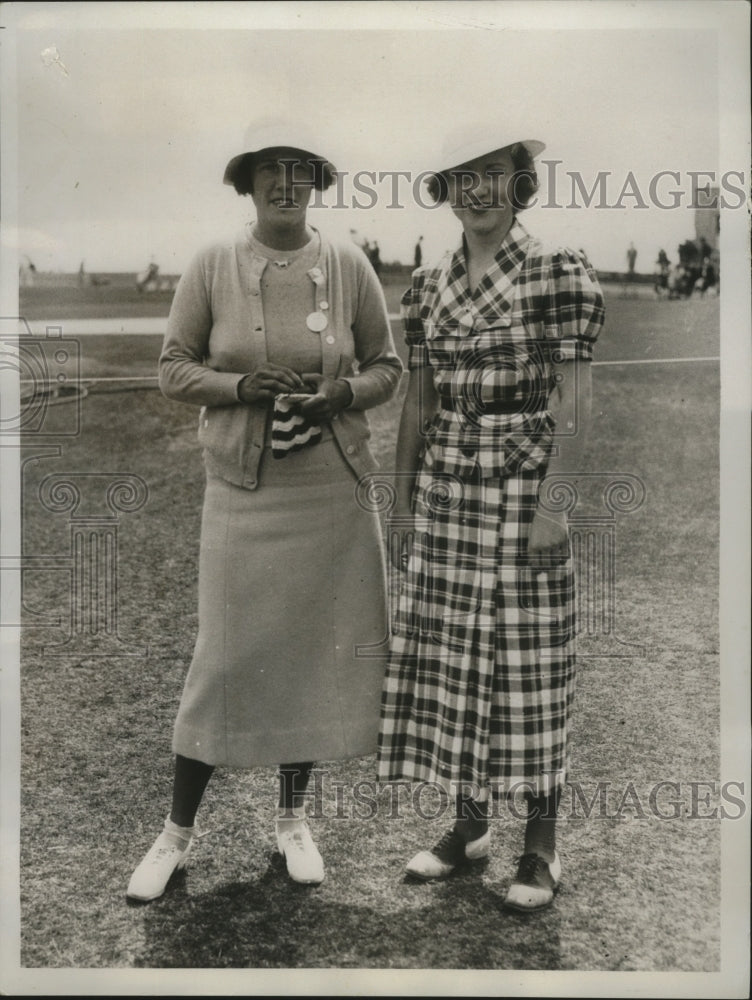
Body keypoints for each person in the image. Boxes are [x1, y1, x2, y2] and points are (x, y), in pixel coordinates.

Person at [126, 119, 402, 901]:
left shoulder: (348, 263)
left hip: (331, 494)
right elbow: (172, 368)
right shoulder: (213, 263)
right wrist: (238, 388)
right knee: (223, 659)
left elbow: (388, 366)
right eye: (270, 171)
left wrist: (339, 395)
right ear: (245, 183)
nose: (286, 184)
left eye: (301, 170)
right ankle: (176, 834)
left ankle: (292, 824)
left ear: (316, 182)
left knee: (313, 657)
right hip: (244, 494)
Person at [377, 124, 604, 911]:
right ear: (446, 190)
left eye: (493, 174)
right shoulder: (430, 282)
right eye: (461, 177)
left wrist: (554, 507)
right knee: (455, 659)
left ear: (519, 183)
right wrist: (402, 504)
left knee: (530, 662)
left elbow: (575, 403)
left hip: (523, 485)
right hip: (447, 488)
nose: (477, 190)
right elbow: (419, 400)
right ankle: (468, 828)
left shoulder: (553, 270)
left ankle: (540, 847)